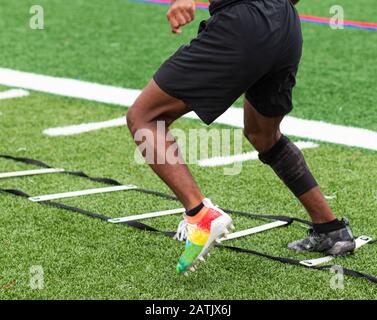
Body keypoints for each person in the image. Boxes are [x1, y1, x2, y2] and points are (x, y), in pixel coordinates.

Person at [126, 0, 355, 275]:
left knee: (144, 117)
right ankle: (331, 229)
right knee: (264, 135)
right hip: (286, 24)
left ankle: (200, 214)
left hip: (243, 23)